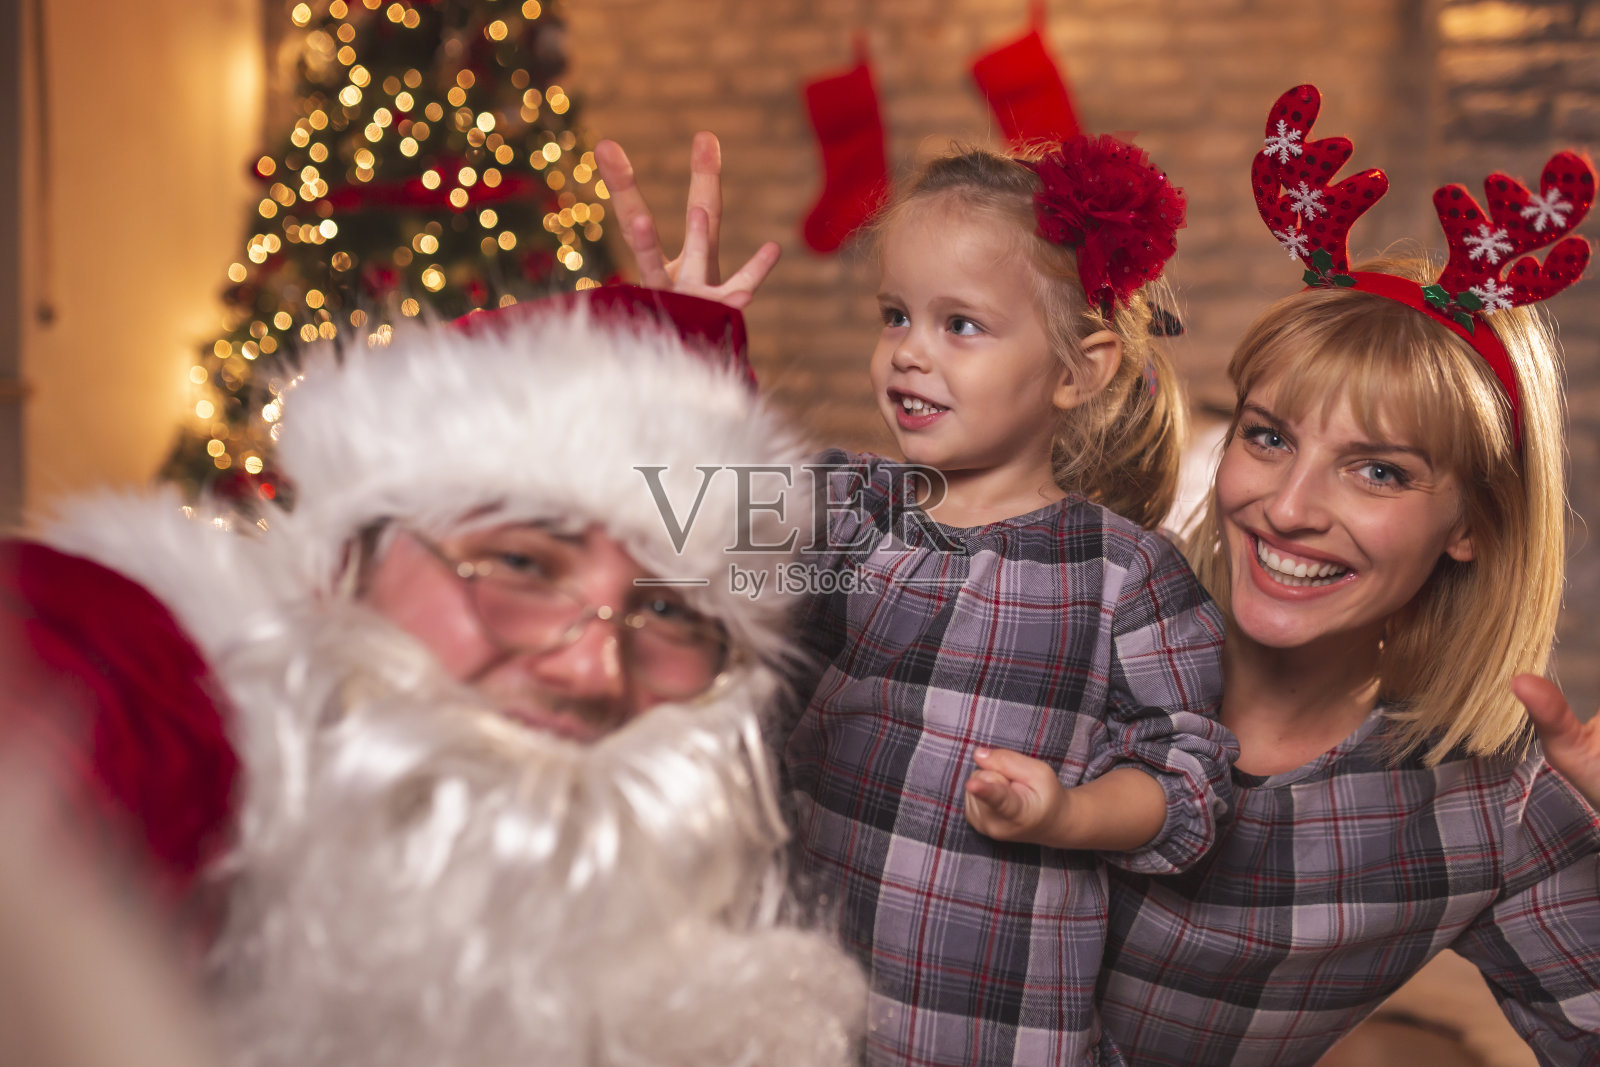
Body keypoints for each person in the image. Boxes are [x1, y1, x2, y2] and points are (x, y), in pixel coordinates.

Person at [0, 286, 866, 1067]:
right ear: (345, 563)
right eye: (522, 565)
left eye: (673, 612)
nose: (594, 669)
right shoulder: (153, 687)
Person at [598, 134, 1237, 1066]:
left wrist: (1070, 814)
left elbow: (1188, 781)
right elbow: (675, 545)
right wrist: (685, 362)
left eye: (960, 325)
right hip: (790, 1018)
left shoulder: (1126, 576)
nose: (908, 354)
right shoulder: (845, 510)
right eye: (895, 316)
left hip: (986, 1036)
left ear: (1079, 369)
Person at [1087, 84, 1600, 1064]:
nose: (1287, 507)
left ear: (1474, 526)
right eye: (1268, 436)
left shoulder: (1485, 803)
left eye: (1378, 470)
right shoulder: (1071, 629)